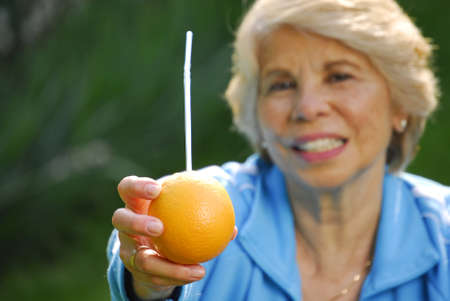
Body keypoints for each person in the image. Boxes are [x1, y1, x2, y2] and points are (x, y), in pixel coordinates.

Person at [107, 0, 450, 300]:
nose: (308, 107)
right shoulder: (218, 204)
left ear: (401, 104)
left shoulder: (443, 234)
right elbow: (145, 252)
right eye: (282, 84)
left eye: (339, 77)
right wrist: (149, 283)